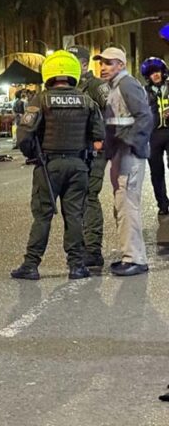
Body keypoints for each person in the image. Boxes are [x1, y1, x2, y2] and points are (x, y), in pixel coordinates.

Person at [9, 51, 105, 281]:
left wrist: (34, 155)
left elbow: (23, 136)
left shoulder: (40, 99)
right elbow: (99, 138)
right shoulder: (87, 101)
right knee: (74, 215)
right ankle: (77, 266)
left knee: (42, 216)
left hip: (49, 166)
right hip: (79, 166)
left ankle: (31, 265)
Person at [96, 47, 153, 277]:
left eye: (109, 63)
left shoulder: (126, 84)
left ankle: (135, 259)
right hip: (121, 153)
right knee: (122, 204)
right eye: (101, 63)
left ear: (120, 65)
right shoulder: (114, 87)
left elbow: (145, 116)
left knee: (128, 205)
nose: (103, 67)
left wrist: (130, 144)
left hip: (128, 153)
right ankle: (129, 255)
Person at [65, 46, 111, 270]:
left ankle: (93, 250)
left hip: (94, 152)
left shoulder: (96, 86)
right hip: (74, 152)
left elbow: (113, 112)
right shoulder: (67, 86)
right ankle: (80, 247)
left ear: (83, 64)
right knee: (76, 199)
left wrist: (101, 141)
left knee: (90, 197)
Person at [141, 57, 169, 215]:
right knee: (156, 171)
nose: (155, 75)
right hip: (152, 136)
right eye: (151, 73)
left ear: (163, 72)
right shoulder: (144, 92)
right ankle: (163, 204)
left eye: (157, 71)